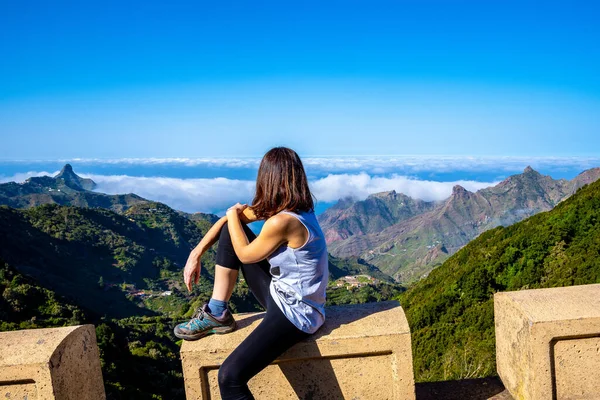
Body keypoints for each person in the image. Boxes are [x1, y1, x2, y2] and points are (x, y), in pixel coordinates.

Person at [174, 146, 329, 400]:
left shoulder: (285, 221)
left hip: (297, 314)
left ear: (267, 178)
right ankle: (217, 312)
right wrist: (197, 252)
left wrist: (232, 214)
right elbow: (228, 224)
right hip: (282, 295)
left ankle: (217, 313)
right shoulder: (292, 208)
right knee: (231, 230)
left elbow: (245, 254)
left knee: (229, 377)